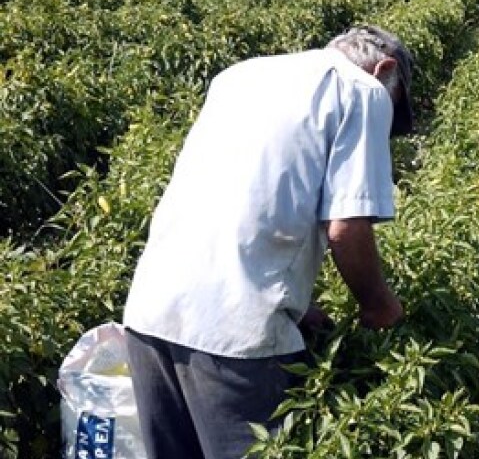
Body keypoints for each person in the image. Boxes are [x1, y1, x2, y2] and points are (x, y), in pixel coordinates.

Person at [122, 25, 416, 459]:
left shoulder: (240, 76)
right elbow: (347, 228)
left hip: (149, 314)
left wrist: (296, 306)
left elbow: (242, 201)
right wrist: (380, 306)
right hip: (234, 339)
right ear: (386, 70)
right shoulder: (363, 91)